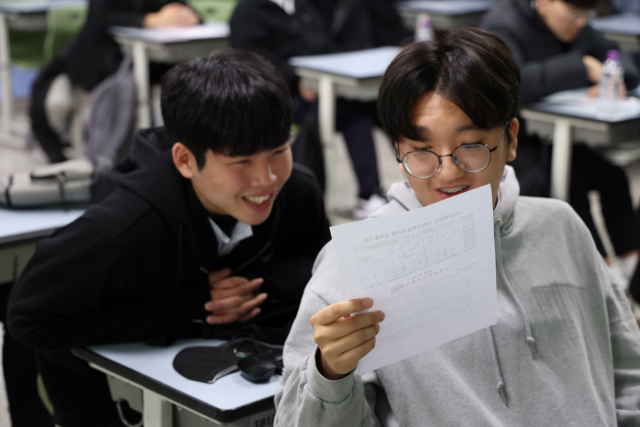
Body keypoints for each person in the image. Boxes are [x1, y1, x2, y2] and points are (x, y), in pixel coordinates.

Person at [274, 28, 640, 426]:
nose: (448, 172)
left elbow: (628, 370)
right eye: (421, 150)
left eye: (471, 145)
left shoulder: (561, 227)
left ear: (511, 139)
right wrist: (329, 374)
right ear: (398, 151)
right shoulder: (353, 268)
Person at [9, 49, 330, 427]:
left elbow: (319, 285)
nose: (267, 178)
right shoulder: (124, 229)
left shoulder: (298, 193)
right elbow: (27, 315)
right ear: (185, 160)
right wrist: (188, 307)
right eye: (241, 161)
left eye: (279, 151)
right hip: (101, 398)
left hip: (222, 375)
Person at [479, 0, 640, 272]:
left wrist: (614, 76)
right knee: (566, 186)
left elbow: (615, 55)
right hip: (514, 142)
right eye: (574, 14)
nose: (580, 22)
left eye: (586, 15)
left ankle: (631, 270)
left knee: (613, 177)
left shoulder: (576, 25)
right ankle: (598, 271)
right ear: (543, 3)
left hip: (557, 138)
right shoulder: (503, 26)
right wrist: (582, 66)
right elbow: (515, 82)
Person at [229, 0, 410, 220]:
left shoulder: (303, 7)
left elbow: (326, 46)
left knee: (373, 107)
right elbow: (253, 64)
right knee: (348, 112)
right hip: (282, 96)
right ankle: (362, 193)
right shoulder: (247, 12)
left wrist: (334, 72)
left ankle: (395, 183)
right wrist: (299, 80)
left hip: (323, 87)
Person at [30, 0, 200, 163]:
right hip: (102, 59)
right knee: (130, 91)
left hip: (148, 60)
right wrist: (151, 19)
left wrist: (188, 15)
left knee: (186, 79)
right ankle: (118, 156)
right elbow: (102, 17)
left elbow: (180, 7)